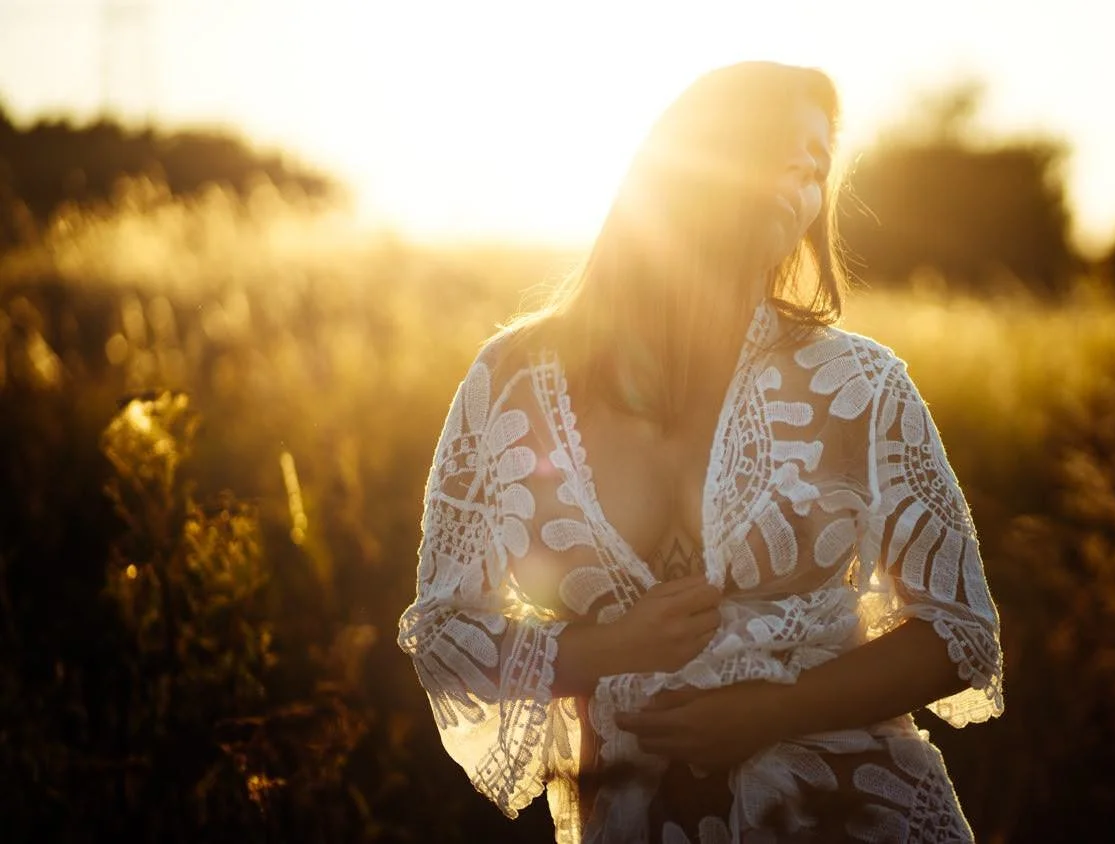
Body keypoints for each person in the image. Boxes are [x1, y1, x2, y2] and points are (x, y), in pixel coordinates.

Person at [396, 61, 1005, 843]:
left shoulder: (860, 385)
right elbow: (446, 632)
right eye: (775, 154)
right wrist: (608, 649)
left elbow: (959, 632)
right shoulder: (514, 383)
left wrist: (775, 711)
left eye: (814, 169)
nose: (799, 185)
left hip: (854, 819)